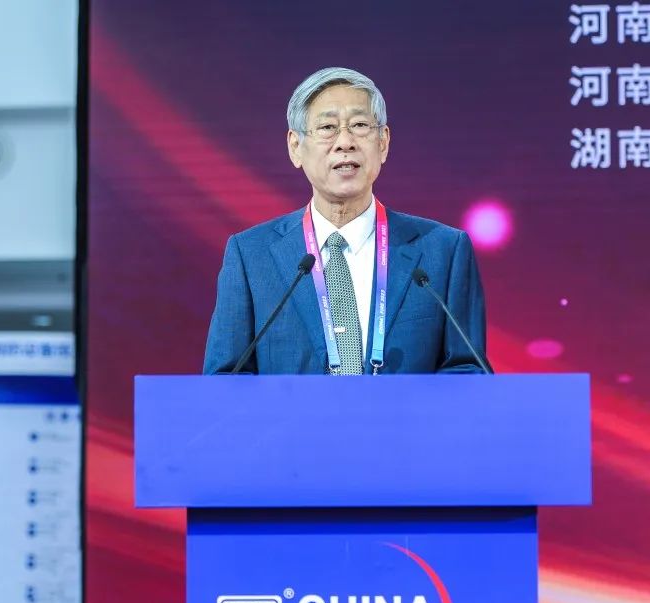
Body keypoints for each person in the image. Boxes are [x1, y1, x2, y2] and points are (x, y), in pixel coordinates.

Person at [204, 67, 490, 376]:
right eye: (327, 127)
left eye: (360, 125)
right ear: (295, 147)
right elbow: (225, 380)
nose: (345, 142)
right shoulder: (250, 256)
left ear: (383, 142)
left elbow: (467, 373)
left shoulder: (443, 251)